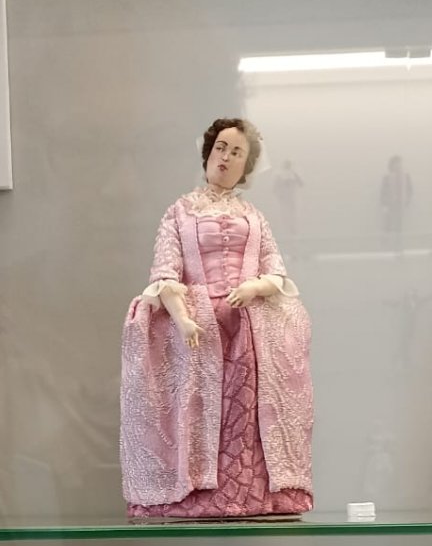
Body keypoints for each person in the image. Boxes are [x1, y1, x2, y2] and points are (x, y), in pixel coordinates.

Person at [120, 116, 313, 520]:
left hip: (246, 328)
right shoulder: (180, 211)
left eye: (237, 152)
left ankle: (250, 494)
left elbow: (276, 272)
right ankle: (195, 494)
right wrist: (182, 318)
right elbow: (165, 274)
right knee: (202, 411)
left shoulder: (254, 216)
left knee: (244, 413)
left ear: (247, 166)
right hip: (199, 328)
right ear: (208, 153)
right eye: (221, 148)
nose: (226, 157)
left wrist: (254, 287)